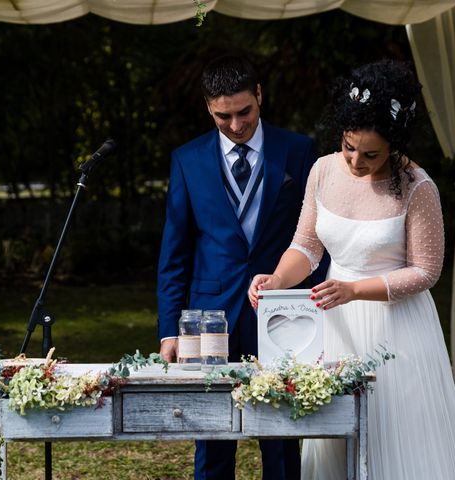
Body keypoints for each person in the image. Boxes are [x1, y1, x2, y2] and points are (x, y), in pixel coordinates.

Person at [248, 59, 455, 480]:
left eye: (370, 154)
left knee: (398, 439)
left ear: (394, 143)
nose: (354, 161)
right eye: (349, 146)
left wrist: (355, 290)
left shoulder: (417, 186)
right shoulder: (322, 170)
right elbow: (306, 246)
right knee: (334, 439)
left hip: (398, 329)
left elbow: (426, 272)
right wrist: (277, 279)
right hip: (337, 327)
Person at [157, 54, 327, 480]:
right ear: (207, 108)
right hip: (209, 320)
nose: (236, 125)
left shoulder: (299, 151)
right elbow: (174, 255)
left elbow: (315, 240)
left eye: (244, 112)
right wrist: (168, 330)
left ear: (259, 95)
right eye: (223, 116)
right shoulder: (187, 160)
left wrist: (319, 317)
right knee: (212, 439)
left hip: (284, 311)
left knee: (283, 437)